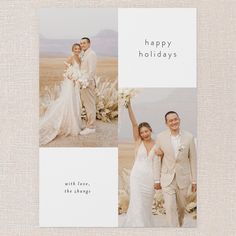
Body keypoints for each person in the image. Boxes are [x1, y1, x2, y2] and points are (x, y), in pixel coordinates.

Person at [122, 101, 162, 227]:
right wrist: (129, 106)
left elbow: (162, 162)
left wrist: (158, 180)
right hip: (137, 177)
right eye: (142, 132)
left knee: (146, 204)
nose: (144, 134)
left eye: (146, 131)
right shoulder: (138, 141)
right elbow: (134, 123)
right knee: (137, 203)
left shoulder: (158, 144)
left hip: (150, 179)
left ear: (150, 130)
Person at [154, 111, 197, 227]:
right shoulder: (160, 137)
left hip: (183, 179)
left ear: (179, 120)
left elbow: (193, 159)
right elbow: (157, 159)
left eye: (175, 119)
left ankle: (179, 226)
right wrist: (156, 180)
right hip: (167, 178)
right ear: (166, 123)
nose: (174, 122)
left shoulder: (189, 137)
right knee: (170, 207)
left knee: (181, 208)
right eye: (170, 120)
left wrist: (194, 181)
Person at [39, 43, 82, 145]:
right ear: (73, 49)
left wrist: (77, 78)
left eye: (78, 49)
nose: (77, 50)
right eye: (75, 49)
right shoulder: (71, 57)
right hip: (71, 83)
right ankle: (65, 124)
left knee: (74, 101)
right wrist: (71, 76)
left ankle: (74, 122)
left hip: (76, 83)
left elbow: (78, 69)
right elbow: (66, 68)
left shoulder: (79, 58)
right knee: (67, 101)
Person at [79, 37, 97, 135]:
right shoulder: (84, 54)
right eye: (81, 43)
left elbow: (92, 71)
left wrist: (86, 82)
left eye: (84, 43)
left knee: (90, 105)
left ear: (89, 44)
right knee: (86, 105)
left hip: (87, 83)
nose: (82, 45)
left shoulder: (91, 54)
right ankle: (89, 125)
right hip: (83, 83)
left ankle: (91, 127)